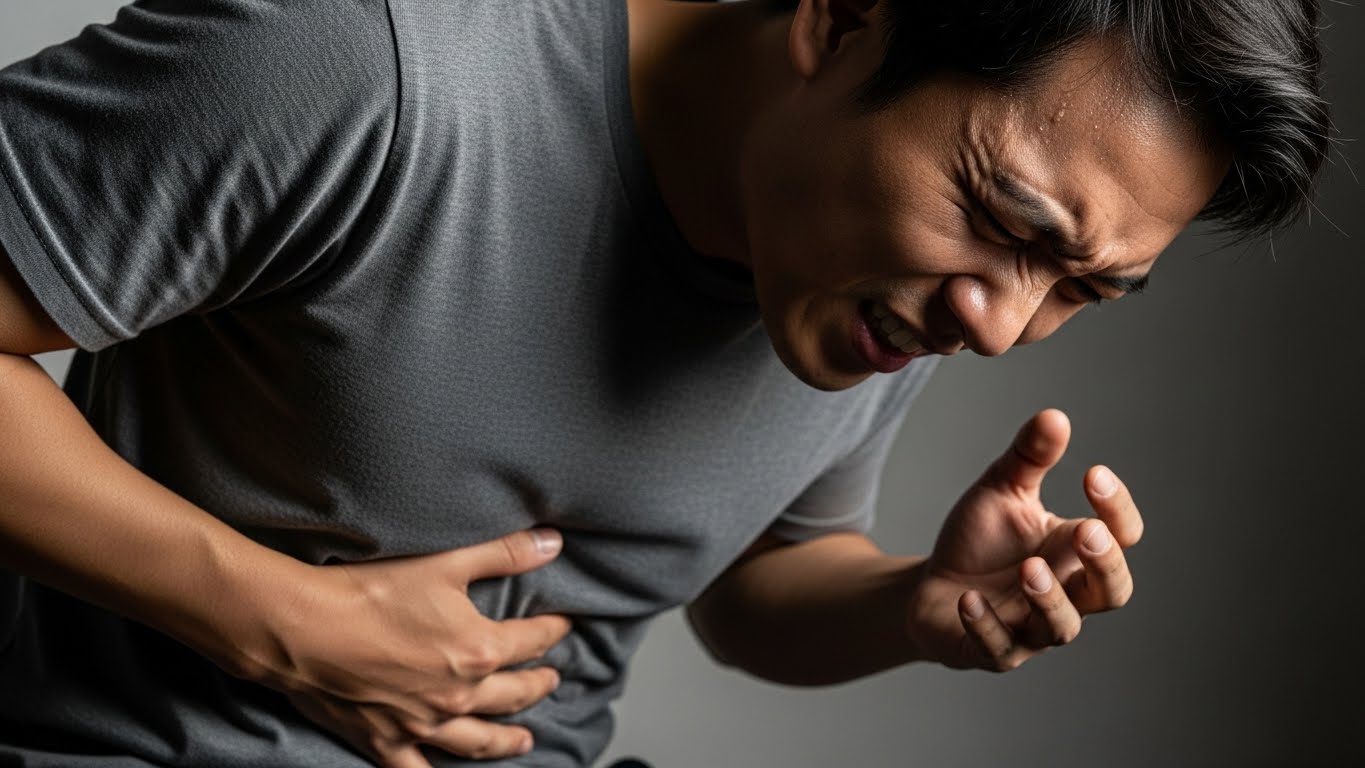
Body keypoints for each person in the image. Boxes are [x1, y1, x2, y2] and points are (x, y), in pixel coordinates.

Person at [0, 0, 1328, 766]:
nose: (1000, 325)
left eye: (1084, 288)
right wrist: (277, 617)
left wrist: (914, 604)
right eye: (1006, 222)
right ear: (839, 18)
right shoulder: (370, 69)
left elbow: (749, 591)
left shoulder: (878, 289)